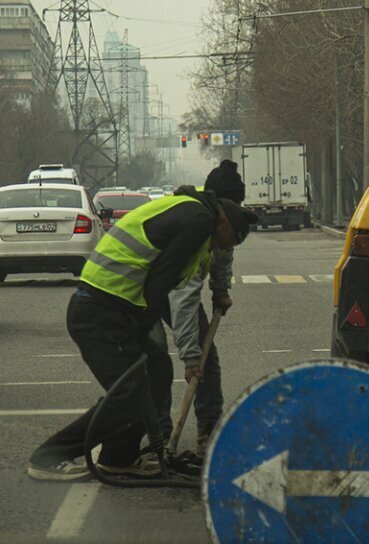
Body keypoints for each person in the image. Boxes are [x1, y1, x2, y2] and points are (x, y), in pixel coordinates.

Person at [26, 190, 250, 481]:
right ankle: (49, 456)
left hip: (114, 309)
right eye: (226, 240)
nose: (221, 247)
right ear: (222, 221)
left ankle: (119, 458)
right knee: (128, 394)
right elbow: (165, 278)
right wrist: (147, 326)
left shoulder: (192, 212)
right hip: (100, 310)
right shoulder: (199, 220)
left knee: (157, 373)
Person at [163, 160, 248, 455]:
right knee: (154, 361)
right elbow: (183, 296)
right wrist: (189, 358)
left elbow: (224, 253)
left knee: (207, 359)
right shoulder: (196, 219)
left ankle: (209, 434)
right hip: (139, 289)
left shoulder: (220, 217)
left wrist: (221, 290)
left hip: (168, 286)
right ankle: (160, 436)